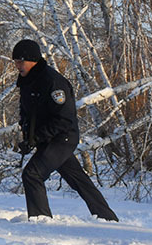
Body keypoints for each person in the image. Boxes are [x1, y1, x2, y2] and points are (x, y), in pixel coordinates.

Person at [12, 38, 118, 221]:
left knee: (32, 174)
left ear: (33, 60)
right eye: (15, 62)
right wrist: (27, 138)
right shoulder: (27, 81)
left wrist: (35, 138)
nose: (17, 66)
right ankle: (108, 218)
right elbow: (28, 113)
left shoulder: (53, 82)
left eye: (21, 61)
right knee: (79, 180)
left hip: (62, 138)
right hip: (47, 139)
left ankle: (40, 221)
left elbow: (64, 119)